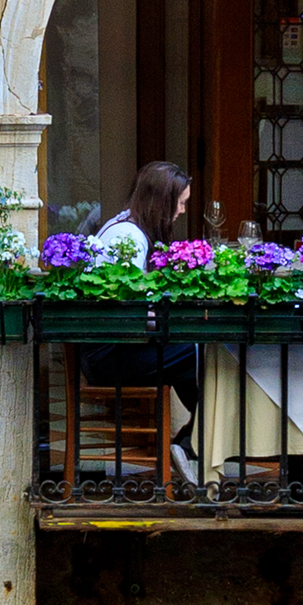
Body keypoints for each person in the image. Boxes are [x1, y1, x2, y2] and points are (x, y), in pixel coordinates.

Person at [84, 162, 200, 481]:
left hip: (116, 348)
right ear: (161, 202)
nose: (181, 211)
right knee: (202, 350)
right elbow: (127, 313)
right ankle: (195, 442)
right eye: (179, 203)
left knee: (195, 359)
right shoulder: (128, 237)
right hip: (108, 356)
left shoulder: (125, 226)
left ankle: (193, 442)